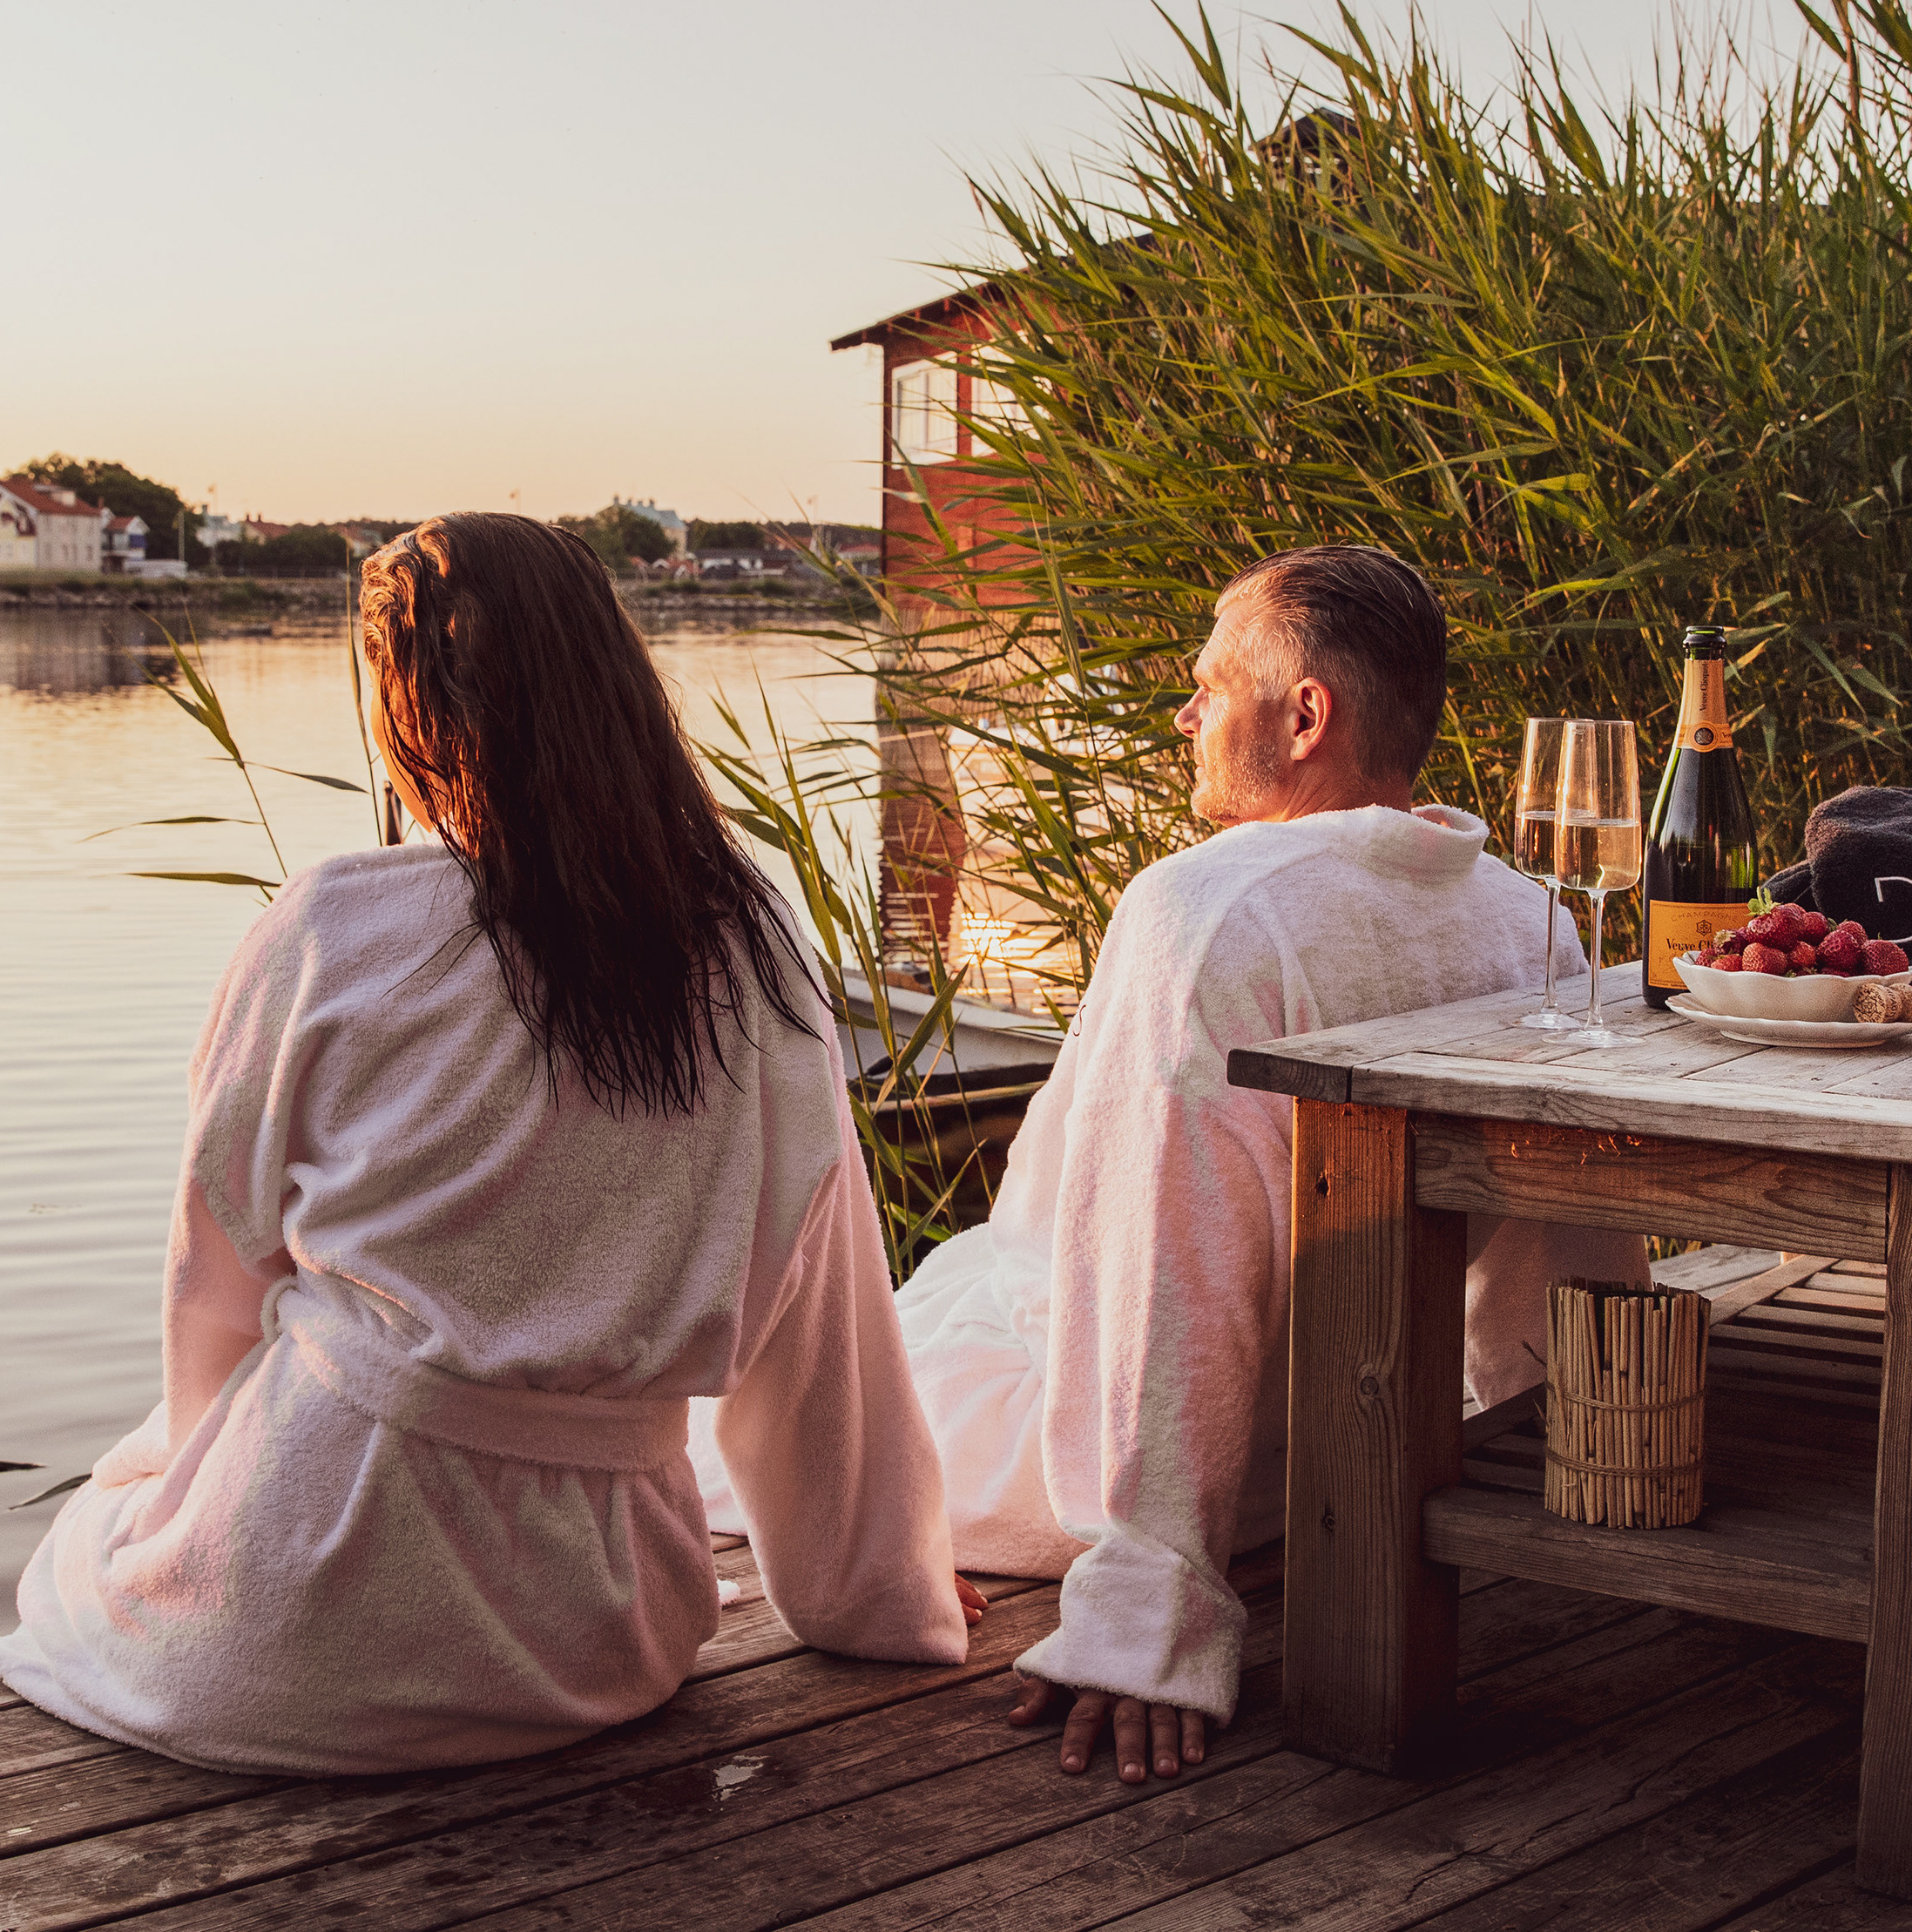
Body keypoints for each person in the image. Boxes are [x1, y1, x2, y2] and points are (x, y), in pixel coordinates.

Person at [0, 513, 972, 1775]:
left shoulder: (331, 928)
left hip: (288, 1613)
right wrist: (879, 1593)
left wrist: (184, 1496)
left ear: (408, 708)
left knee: (93, 1531)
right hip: (599, 1638)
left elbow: (212, 1294)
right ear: (615, 686)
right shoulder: (751, 936)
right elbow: (820, 1327)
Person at [692, 542, 1641, 1785]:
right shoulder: (1534, 914)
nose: (1185, 717)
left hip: (1155, 1460)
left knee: (733, 1421)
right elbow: (1562, 1226)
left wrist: (1150, 1594)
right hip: (1373, 1434)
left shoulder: (1206, 909)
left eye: (1208, 687)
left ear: (1306, 716)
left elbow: (1159, 1250)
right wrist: (1548, 1435)